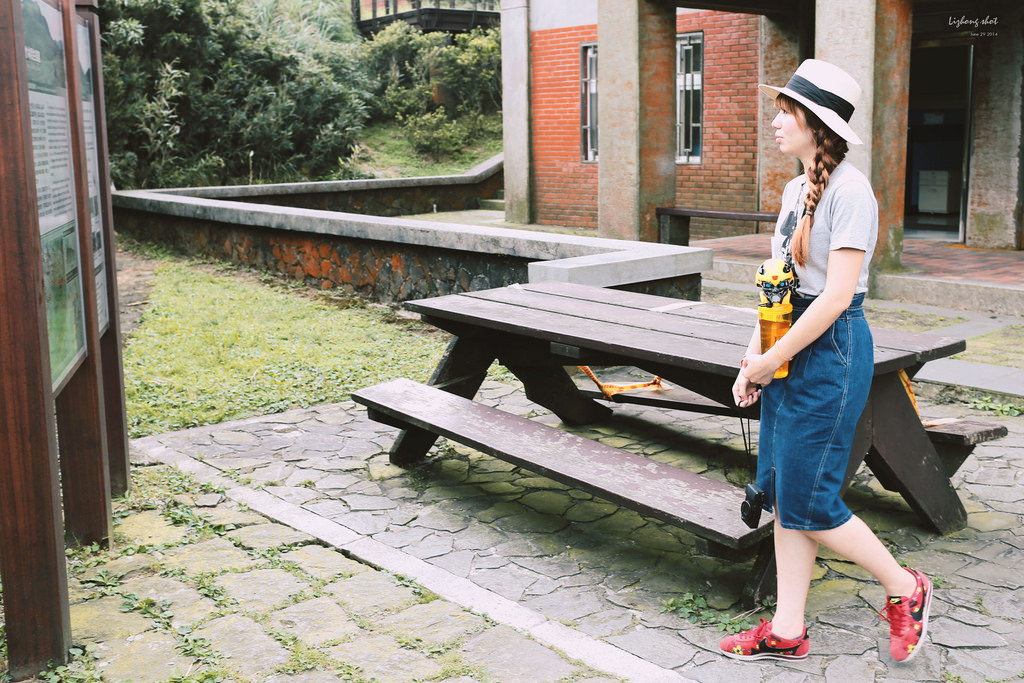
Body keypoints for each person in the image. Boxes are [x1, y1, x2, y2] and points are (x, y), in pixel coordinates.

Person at [719, 59, 932, 663]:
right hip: (791, 344)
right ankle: (787, 631)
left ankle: (904, 586)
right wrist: (753, 357)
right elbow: (778, 287)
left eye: (785, 112)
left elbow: (837, 296)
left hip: (832, 351)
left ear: (815, 123)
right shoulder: (794, 191)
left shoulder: (852, 191)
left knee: (812, 501)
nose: (775, 122)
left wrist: (774, 359)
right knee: (789, 494)